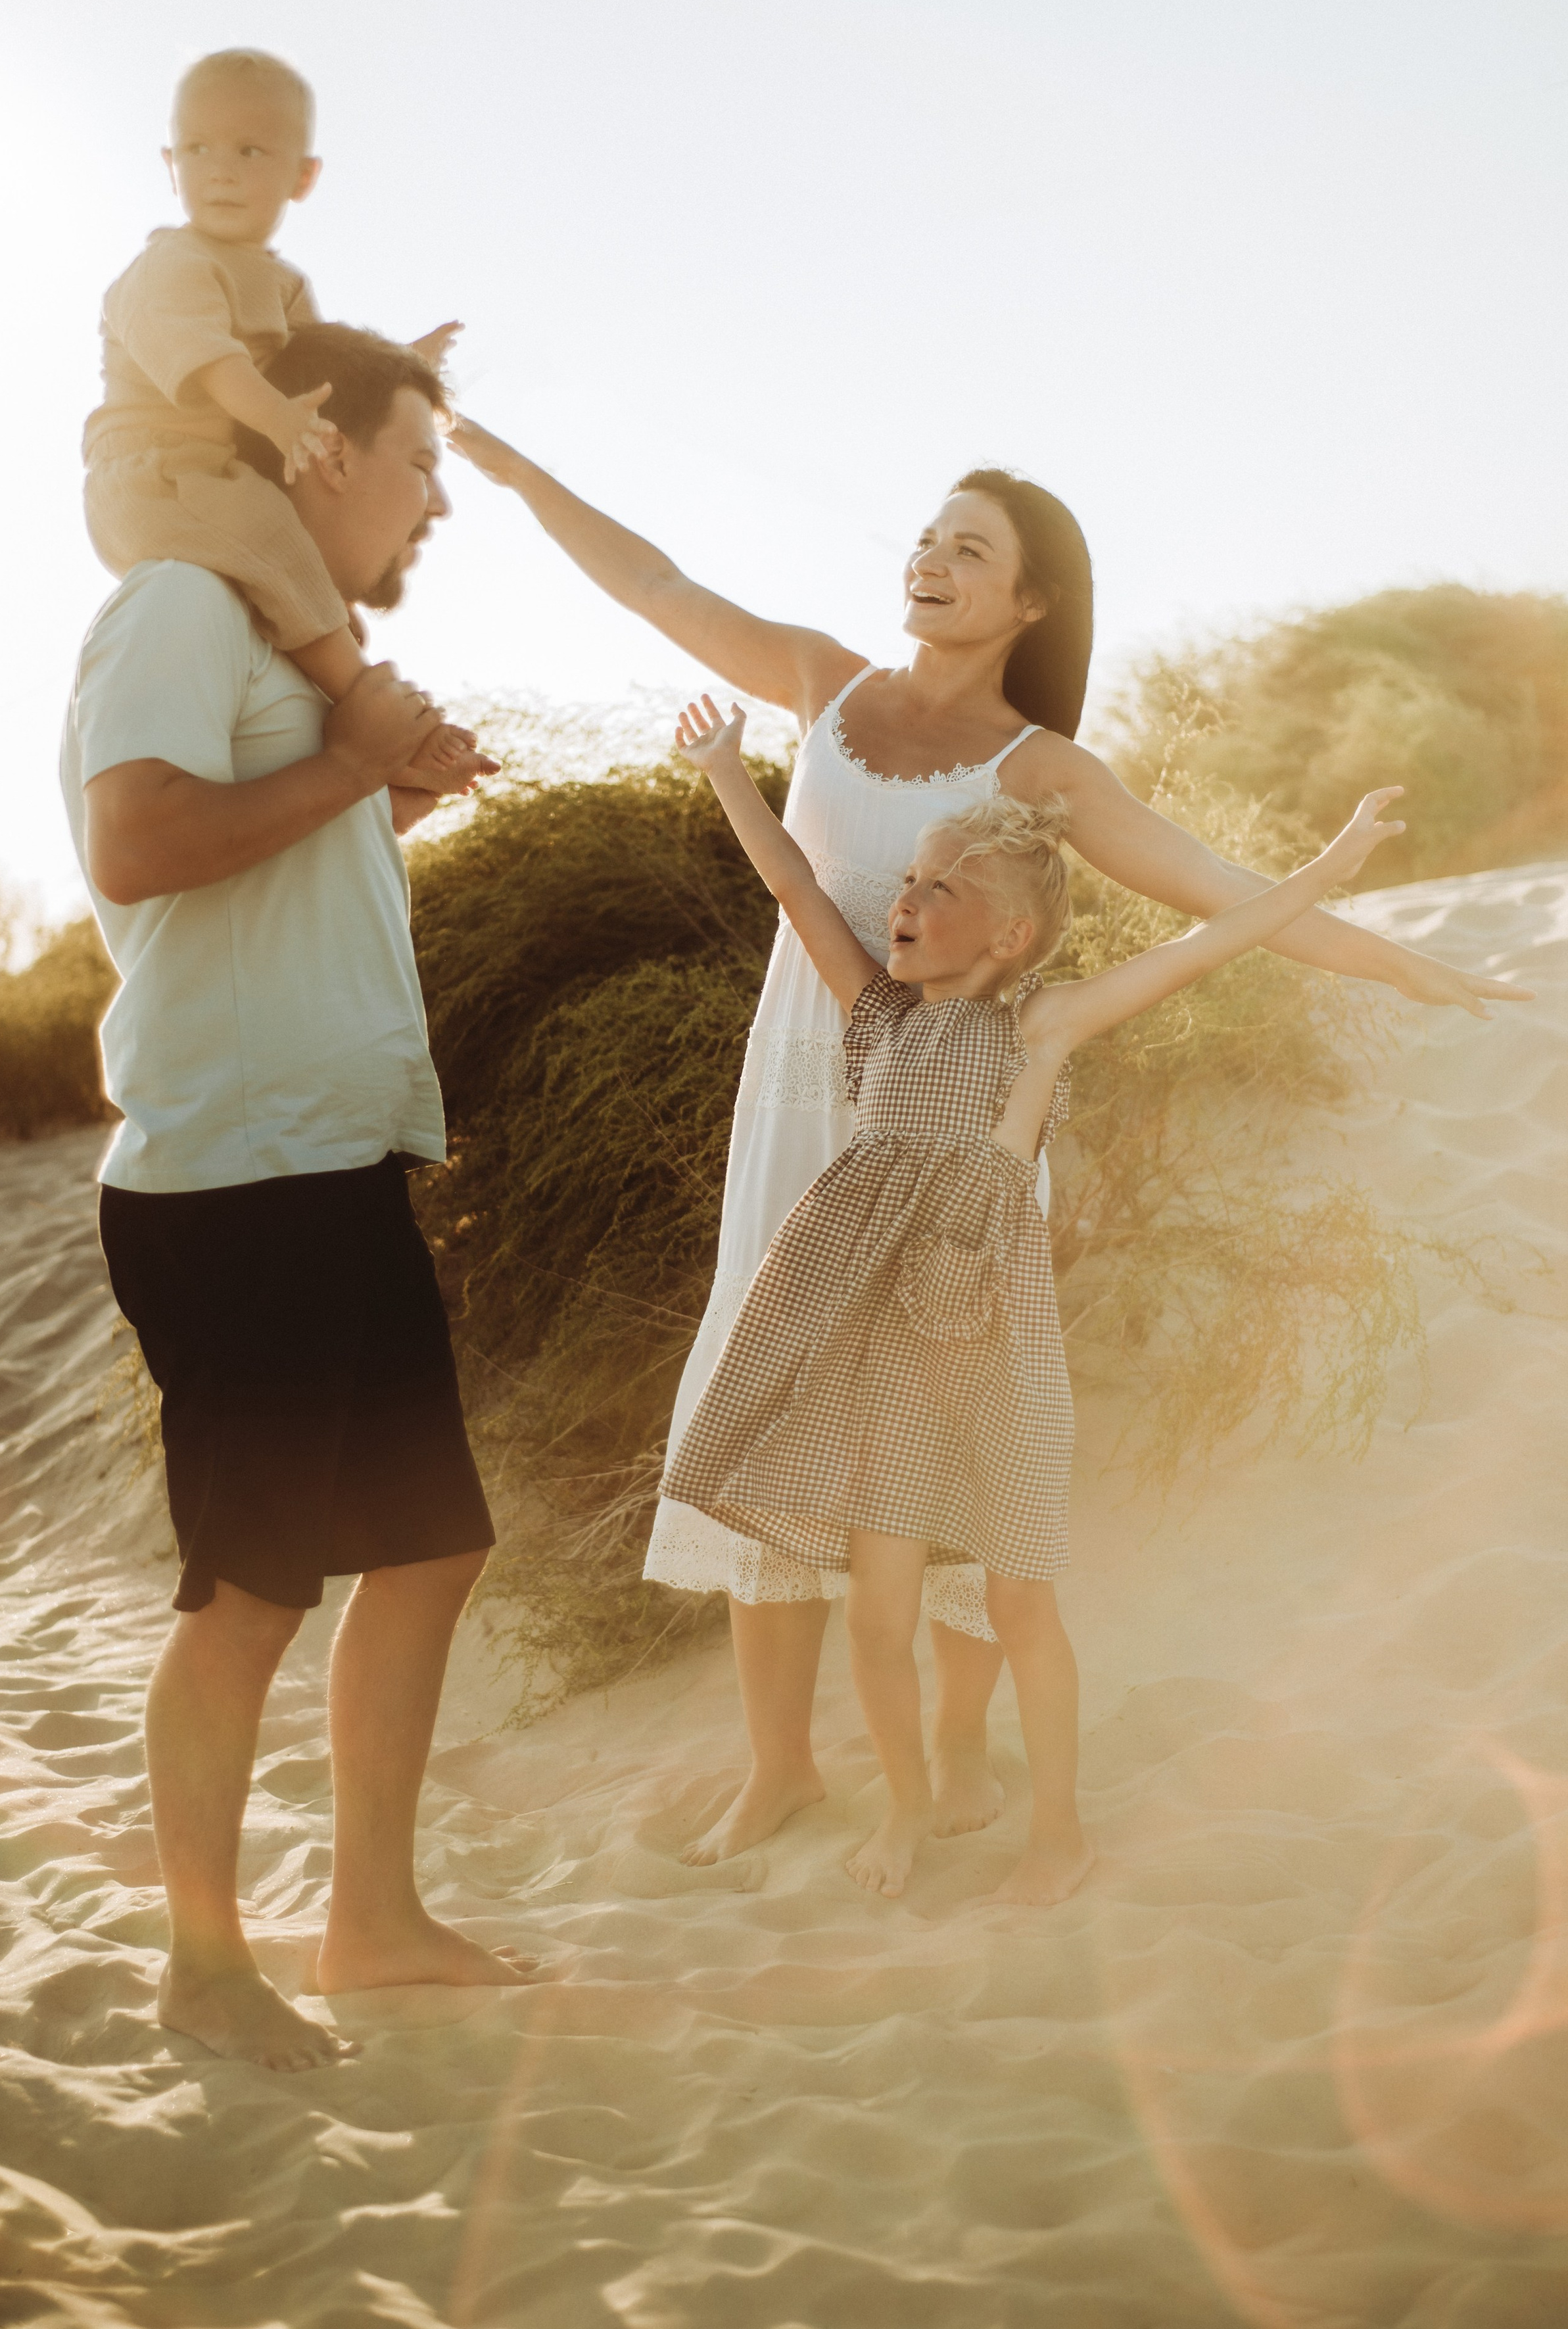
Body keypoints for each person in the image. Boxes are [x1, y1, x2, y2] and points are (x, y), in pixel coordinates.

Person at [446, 420, 1529, 1868]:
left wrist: (1396, 963)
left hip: (955, 1124)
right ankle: (776, 1768)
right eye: (926, 536)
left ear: (1029, 605)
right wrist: (517, 479)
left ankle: (953, 1758)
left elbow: (1217, 889)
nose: (930, 561)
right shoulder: (825, 684)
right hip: (806, 1086)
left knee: (941, 1423)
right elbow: (651, 580)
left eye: (970, 550)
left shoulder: (1042, 770)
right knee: (764, 1385)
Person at [665, 694, 1406, 1902]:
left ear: (1010, 937)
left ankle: (1059, 1829)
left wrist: (1338, 859)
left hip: (985, 1349)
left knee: (1018, 1602)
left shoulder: (1042, 1030)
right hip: (876, 1348)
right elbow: (797, 888)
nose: (902, 902)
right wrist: (722, 771)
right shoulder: (876, 1016)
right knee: (875, 1611)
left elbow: (1211, 942)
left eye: (937, 890)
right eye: (909, 881)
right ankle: (906, 1809)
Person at [63, 322, 515, 2074]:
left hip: (328, 1162)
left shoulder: (282, 651)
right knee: (250, 1595)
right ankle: (204, 1965)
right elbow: (135, 842)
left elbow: (262, 855)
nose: (436, 504)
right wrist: (350, 767)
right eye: (418, 463)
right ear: (320, 448)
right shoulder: (180, 601)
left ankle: (372, 1923)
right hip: (231, 1180)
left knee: (431, 1546)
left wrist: (380, 793)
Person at [83, 45, 463, 784]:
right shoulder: (171, 267)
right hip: (152, 475)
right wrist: (284, 422)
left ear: (303, 176)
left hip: (216, 472)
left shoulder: (282, 281)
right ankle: (367, 700)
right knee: (273, 546)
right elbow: (215, 365)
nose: (220, 168)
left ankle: (356, 723)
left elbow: (323, 370)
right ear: (169, 163)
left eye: (250, 150)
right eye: (198, 149)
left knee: (309, 590)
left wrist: (405, 364)